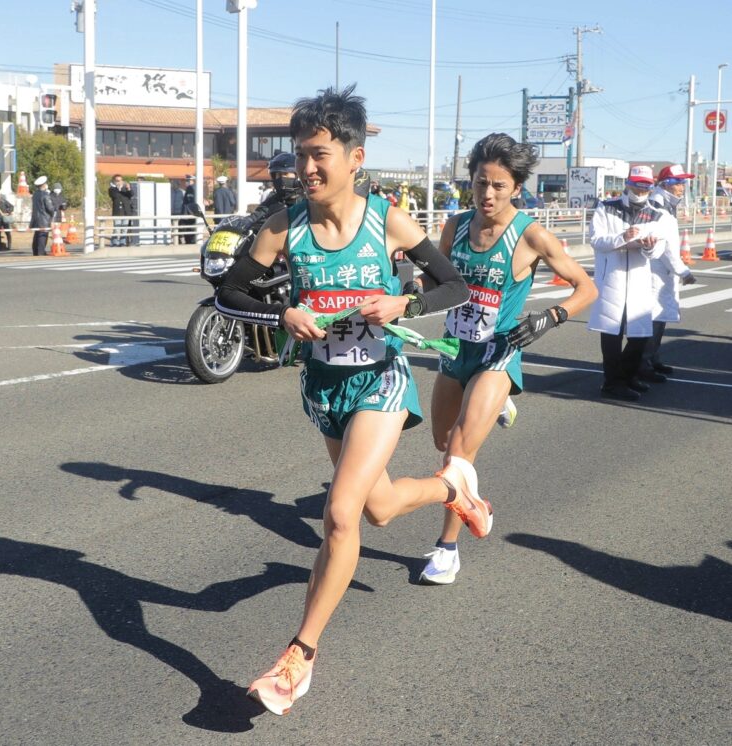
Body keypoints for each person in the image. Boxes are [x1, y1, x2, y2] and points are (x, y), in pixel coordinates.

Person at [214, 85, 475, 715]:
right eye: (301, 154)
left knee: (340, 516)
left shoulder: (386, 220)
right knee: (380, 508)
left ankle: (299, 655)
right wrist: (284, 310)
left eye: (320, 154)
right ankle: (452, 489)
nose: (306, 167)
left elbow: (454, 285)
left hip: (381, 381)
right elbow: (229, 293)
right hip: (323, 386)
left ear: (354, 158)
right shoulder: (283, 226)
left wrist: (403, 303)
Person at [416, 133, 597, 585]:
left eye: (499, 185)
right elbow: (437, 284)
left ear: (517, 187)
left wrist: (549, 318)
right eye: (480, 183)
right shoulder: (455, 226)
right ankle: (488, 445)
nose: (488, 194)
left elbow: (586, 288)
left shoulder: (531, 234)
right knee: (442, 441)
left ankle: (447, 549)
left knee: (458, 454)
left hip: (499, 354)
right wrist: (411, 295)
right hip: (456, 351)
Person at [587, 165, 672, 401]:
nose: (640, 188)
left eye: (645, 185)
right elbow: (596, 240)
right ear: (627, 182)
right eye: (636, 183)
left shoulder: (658, 214)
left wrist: (649, 246)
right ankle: (612, 383)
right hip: (611, 278)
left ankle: (628, 375)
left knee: (640, 334)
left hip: (639, 279)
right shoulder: (606, 207)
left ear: (651, 186)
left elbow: (658, 251)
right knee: (611, 334)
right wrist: (621, 238)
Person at [642, 164, 697, 379]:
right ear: (667, 184)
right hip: (655, 270)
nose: (682, 186)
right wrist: (683, 271)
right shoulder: (658, 205)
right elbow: (666, 246)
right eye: (678, 182)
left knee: (660, 316)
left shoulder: (665, 203)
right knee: (654, 317)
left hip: (660, 270)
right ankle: (643, 363)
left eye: (683, 182)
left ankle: (651, 358)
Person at [30, 175, 54, 256]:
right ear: (44, 185)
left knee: (36, 235)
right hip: (44, 219)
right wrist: (53, 212)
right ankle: (41, 252)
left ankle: (35, 252)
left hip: (35, 219)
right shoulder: (45, 195)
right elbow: (50, 208)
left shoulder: (35, 195)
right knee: (42, 236)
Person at [108, 174, 133, 247]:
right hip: (117, 211)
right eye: (117, 180)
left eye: (120, 180)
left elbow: (131, 194)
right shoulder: (112, 189)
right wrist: (118, 188)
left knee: (124, 229)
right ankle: (115, 242)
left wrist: (128, 188)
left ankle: (123, 242)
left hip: (126, 211)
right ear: (114, 181)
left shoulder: (125, 188)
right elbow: (115, 196)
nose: (119, 182)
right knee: (117, 228)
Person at [180, 174, 197, 244]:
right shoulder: (194, 188)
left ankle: (190, 243)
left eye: (188, 180)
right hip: (191, 214)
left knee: (189, 232)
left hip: (189, 214)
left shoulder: (191, 188)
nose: (186, 182)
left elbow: (189, 202)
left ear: (192, 181)